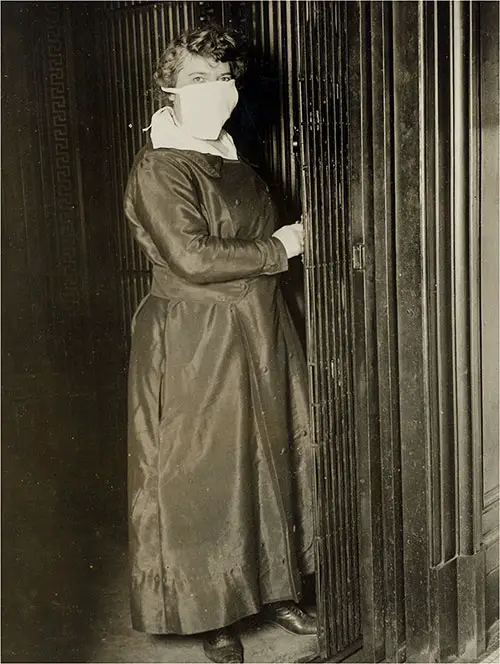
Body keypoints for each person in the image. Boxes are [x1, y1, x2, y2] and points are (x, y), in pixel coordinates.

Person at [124, 23, 316, 664]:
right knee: (205, 473)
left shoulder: (230, 153)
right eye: (198, 80)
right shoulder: (160, 166)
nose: (217, 92)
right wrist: (279, 248)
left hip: (256, 326)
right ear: (168, 90)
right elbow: (191, 256)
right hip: (196, 337)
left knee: (268, 456)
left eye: (224, 79)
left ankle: (274, 588)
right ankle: (213, 614)